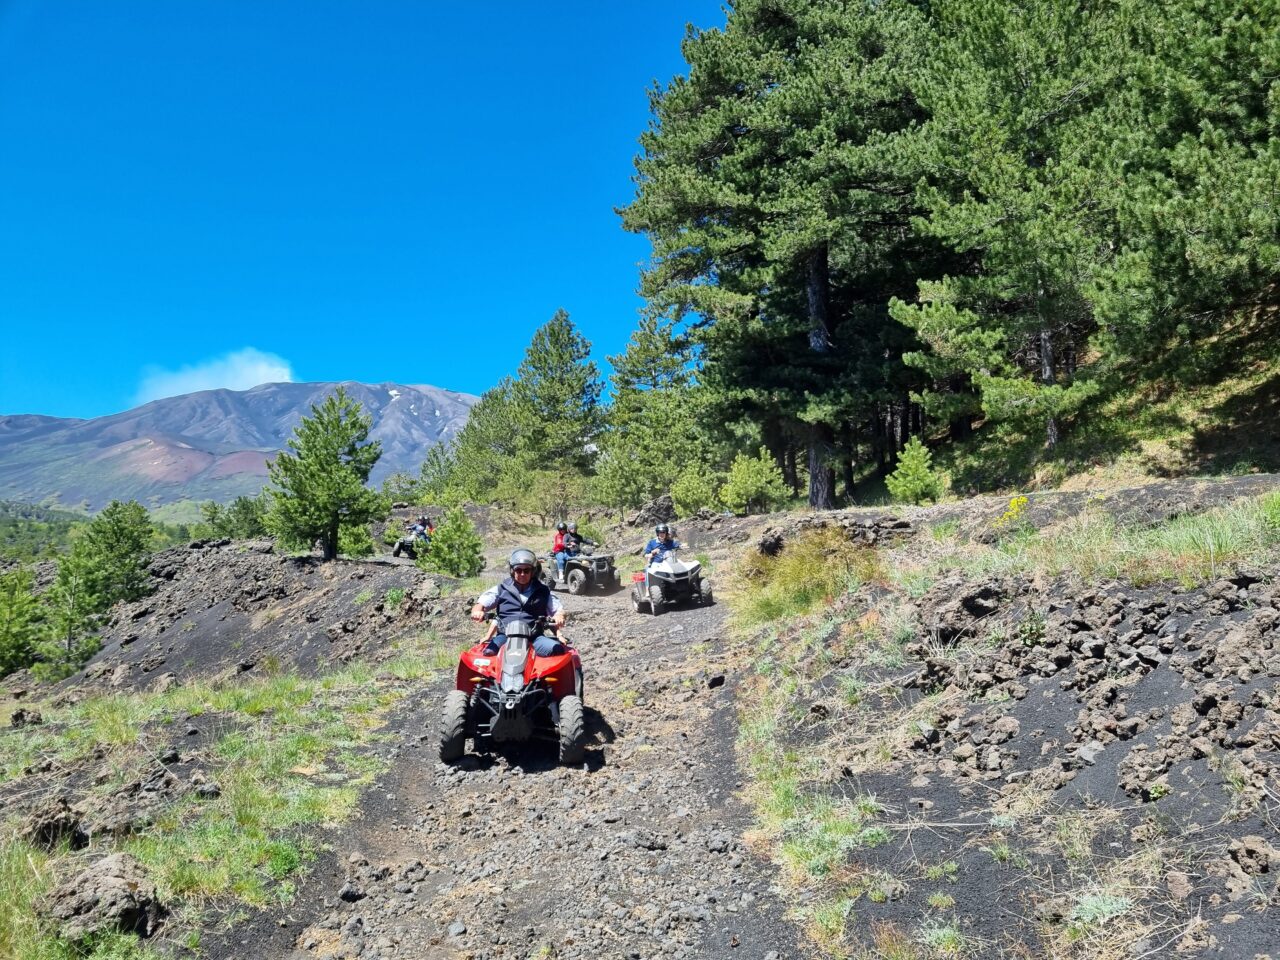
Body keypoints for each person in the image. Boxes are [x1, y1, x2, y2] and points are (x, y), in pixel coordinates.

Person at [470, 548, 566, 657]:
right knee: (488, 654)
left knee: (558, 651)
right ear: (512, 570)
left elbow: (558, 610)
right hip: (505, 636)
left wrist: (559, 617)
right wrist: (477, 612)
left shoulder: (544, 591)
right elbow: (480, 604)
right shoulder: (501, 589)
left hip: (534, 637)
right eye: (518, 570)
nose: (522, 574)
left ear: (533, 571)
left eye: (526, 571)